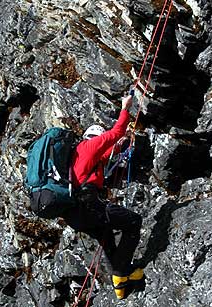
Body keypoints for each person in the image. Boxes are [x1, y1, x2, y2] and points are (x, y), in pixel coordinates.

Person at [60, 95, 143, 300]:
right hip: (89, 205)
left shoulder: (79, 156)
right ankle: (122, 271)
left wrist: (121, 144)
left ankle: (121, 287)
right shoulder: (88, 147)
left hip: (75, 213)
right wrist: (126, 108)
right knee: (133, 221)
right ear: (95, 139)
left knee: (107, 239)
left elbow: (107, 153)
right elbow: (115, 133)